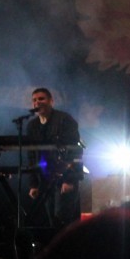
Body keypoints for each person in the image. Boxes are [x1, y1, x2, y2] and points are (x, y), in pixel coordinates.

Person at [25, 87, 83, 229]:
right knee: (52, 221)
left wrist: (70, 179)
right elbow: (31, 155)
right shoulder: (32, 126)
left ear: (51, 101)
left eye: (41, 99)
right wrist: (33, 184)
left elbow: (75, 151)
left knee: (62, 220)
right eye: (34, 100)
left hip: (63, 177)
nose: (37, 102)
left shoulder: (65, 120)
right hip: (44, 179)